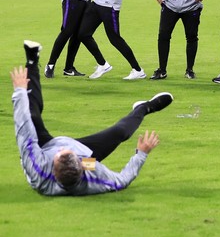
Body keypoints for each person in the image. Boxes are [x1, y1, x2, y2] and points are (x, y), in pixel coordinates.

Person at [12, 40, 170, 196]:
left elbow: (23, 124)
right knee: (119, 133)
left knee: (31, 114)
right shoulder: (92, 174)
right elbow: (122, 180)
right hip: (82, 157)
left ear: (53, 164)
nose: (63, 147)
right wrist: (141, 153)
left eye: (62, 152)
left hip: (45, 148)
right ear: (82, 168)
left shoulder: (37, 166)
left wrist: (20, 91)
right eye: (68, 152)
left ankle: (32, 60)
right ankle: (144, 107)